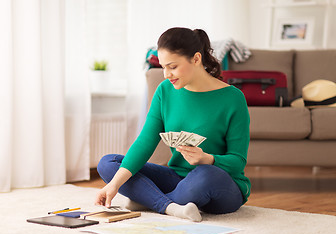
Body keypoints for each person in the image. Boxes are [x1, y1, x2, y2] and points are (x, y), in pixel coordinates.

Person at [95, 27, 251, 222]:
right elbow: (145, 142)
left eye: (173, 66)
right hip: (178, 178)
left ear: (196, 59)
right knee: (108, 163)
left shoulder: (233, 98)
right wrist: (114, 185)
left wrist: (207, 158)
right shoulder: (165, 91)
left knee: (205, 175)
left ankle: (150, 201)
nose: (166, 74)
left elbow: (238, 161)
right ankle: (170, 206)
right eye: (163, 67)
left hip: (220, 183)